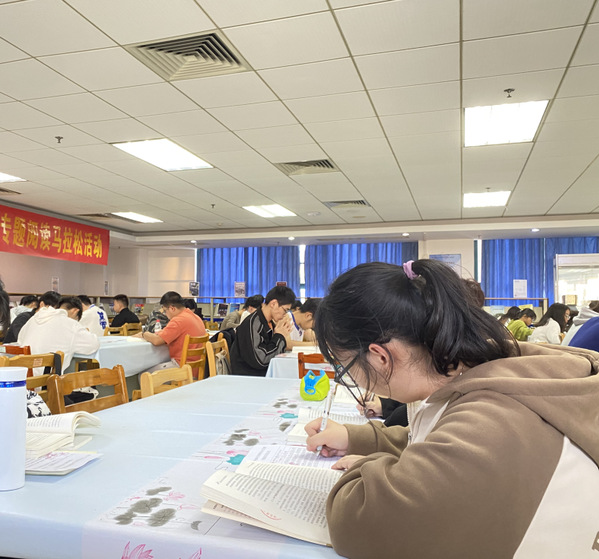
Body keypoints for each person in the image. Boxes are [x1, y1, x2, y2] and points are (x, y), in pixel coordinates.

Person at [304, 260, 599, 559]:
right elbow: (435, 440)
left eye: (346, 367)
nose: (351, 377)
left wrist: (365, 466)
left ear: (380, 356)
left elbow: (358, 525)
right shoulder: (484, 368)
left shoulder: (492, 422)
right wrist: (358, 438)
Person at [17, 295, 99, 373]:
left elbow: (20, 340)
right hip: (48, 379)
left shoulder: (33, 319)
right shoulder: (71, 324)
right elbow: (93, 345)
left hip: (22, 375)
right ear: (75, 311)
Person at [229, 286, 295, 376]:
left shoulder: (270, 323)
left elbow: (276, 354)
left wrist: (280, 336)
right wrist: (279, 336)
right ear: (273, 304)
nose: (285, 314)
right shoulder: (253, 323)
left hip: (263, 373)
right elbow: (261, 360)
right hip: (249, 376)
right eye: (285, 310)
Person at [136, 291, 206, 371]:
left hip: (182, 367)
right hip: (197, 368)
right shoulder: (195, 317)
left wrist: (144, 334)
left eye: (165, 311)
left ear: (172, 308)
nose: (165, 314)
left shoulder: (178, 320)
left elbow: (157, 341)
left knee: (143, 375)